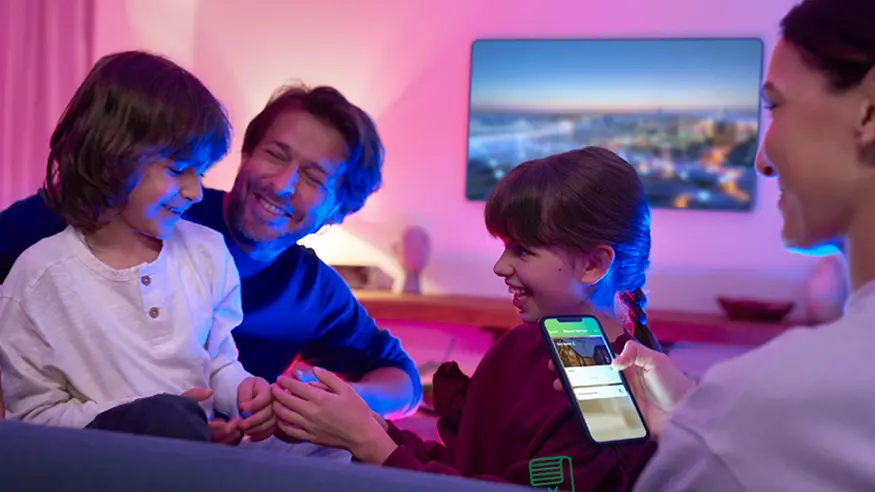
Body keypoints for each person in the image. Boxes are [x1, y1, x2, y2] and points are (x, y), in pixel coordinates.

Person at [554, 0, 875, 489]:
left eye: (776, 106)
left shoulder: (770, 401)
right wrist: (692, 420)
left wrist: (712, 429)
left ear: (868, 111)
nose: (763, 160)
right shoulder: (750, 415)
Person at [0, 84, 421, 425]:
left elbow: (404, 381)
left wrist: (337, 402)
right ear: (246, 155)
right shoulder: (147, 208)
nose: (282, 184)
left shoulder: (314, 291)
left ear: (338, 209)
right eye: (275, 154)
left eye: (314, 177)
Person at [268, 147, 660, 489]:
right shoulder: (519, 345)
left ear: (594, 264)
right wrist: (368, 426)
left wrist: (371, 445)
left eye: (523, 251)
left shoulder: (622, 394)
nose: (500, 266)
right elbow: (463, 471)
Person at [0, 51, 274, 441]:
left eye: (201, 172)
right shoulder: (36, 280)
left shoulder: (208, 253)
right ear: (111, 159)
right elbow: (34, 416)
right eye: (178, 170)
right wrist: (146, 421)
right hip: (107, 467)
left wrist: (243, 391)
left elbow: (218, 363)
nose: (196, 192)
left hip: (205, 460)